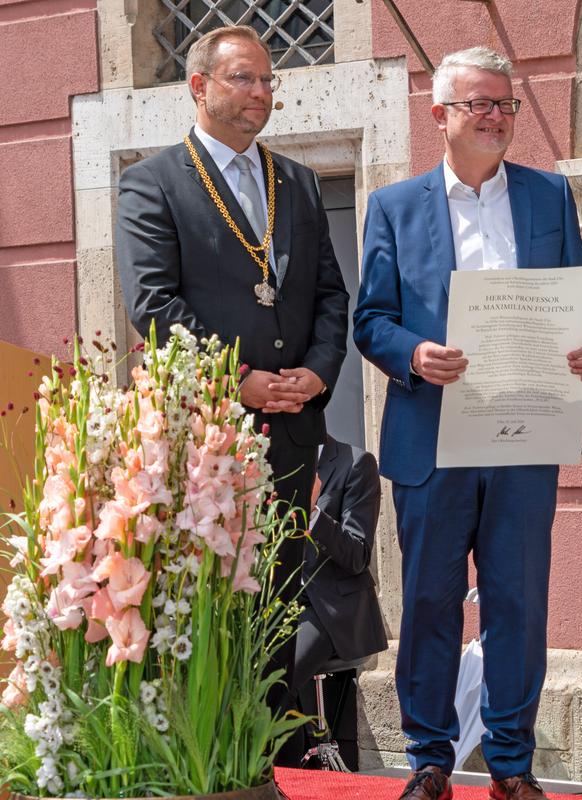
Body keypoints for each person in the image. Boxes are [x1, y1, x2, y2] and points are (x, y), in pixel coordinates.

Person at [353, 47, 582, 800]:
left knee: (518, 605)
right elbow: (371, 320)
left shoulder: (547, 198)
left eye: (506, 105)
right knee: (430, 602)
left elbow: (580, 302)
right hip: (432, 438)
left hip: (527, 436)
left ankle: (510, 765)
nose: (496, 117)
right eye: (479, 105)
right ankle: (429, 761)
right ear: (440, 116)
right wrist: (414, 353)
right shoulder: (395, 207)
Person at [115, 25, 349, 695]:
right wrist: (236, 380)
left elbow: (332, 295)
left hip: (294, 434)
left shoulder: (299, 184)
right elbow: (154, 306)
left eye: (268, 80)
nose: (261, 92)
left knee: (279, 606)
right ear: (198, 86)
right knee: (211, 612)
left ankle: (274, 765)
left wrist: (319, 370)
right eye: (244, 78)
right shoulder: (151, 185)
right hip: (207, 439)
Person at [293, 434, 388, 697]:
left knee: (274, 681)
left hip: (328, 608)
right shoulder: (267, 463)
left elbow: (357, 556)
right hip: (276, 607)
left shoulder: (356, 463)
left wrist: (312, 514)